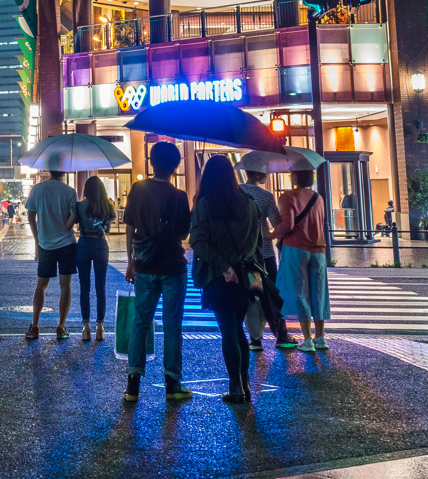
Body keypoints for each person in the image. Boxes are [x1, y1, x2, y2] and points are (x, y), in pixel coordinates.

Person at [123, 142, 192, 403]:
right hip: (173, 266)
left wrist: (131, 259)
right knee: (172, 324)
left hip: (145, 265)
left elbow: (130, 227)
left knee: (141, 322)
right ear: (175, 166)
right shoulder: (179, 196)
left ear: (151, 162)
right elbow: (182, 234)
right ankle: (173, 383)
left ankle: (133, 385)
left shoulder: (137, 190)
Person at [190, 155, 261, 405]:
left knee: (228, 330)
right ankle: (245, 382)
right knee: (237, 328)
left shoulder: (205, 205)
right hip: (244, 275)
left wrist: (223, 265)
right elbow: (256, 241)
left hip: (218, 277)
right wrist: (240, 262)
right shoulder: (249, 203)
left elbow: (197, 241)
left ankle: (235, 386)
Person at [270, 167, 330, 353]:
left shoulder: (288, 196)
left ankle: (307, 340)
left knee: (299, 291)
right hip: (318, 249)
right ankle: (320, 337)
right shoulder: (318, 197)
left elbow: (287, 224)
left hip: (296, 248)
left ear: (295, 176)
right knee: (318, 292)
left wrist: (272, 234)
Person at [239, 168, 298, 351]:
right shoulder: (266, 195)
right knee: (272, 296)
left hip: (243, 253)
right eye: (265, 172)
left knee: (250, 296)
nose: (267, 175)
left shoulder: (236, 191)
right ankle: (280, 335)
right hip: (264, 253)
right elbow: (276, 224)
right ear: (257, 174)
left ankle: (254, 339)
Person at [25, 164, 77, 341]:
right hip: (67, 243)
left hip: (45, 244)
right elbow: (72, 219)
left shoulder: (37, 189)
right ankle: (61, 327)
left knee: (41, 284)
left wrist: (37, 238)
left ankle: (35, 326)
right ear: (63, 172)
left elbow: (31, 216)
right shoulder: (70, 191)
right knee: (65, 285)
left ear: (49, 170)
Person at [66, 176, 114, 342]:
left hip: (84, 245)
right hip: (101, 246)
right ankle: (100, 327)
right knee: (101, 287)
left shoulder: (79, 206)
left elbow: (68, 226)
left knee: (84, 287)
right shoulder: (107, 205)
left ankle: (86, 327)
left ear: (86, 190)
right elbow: (107, 230)